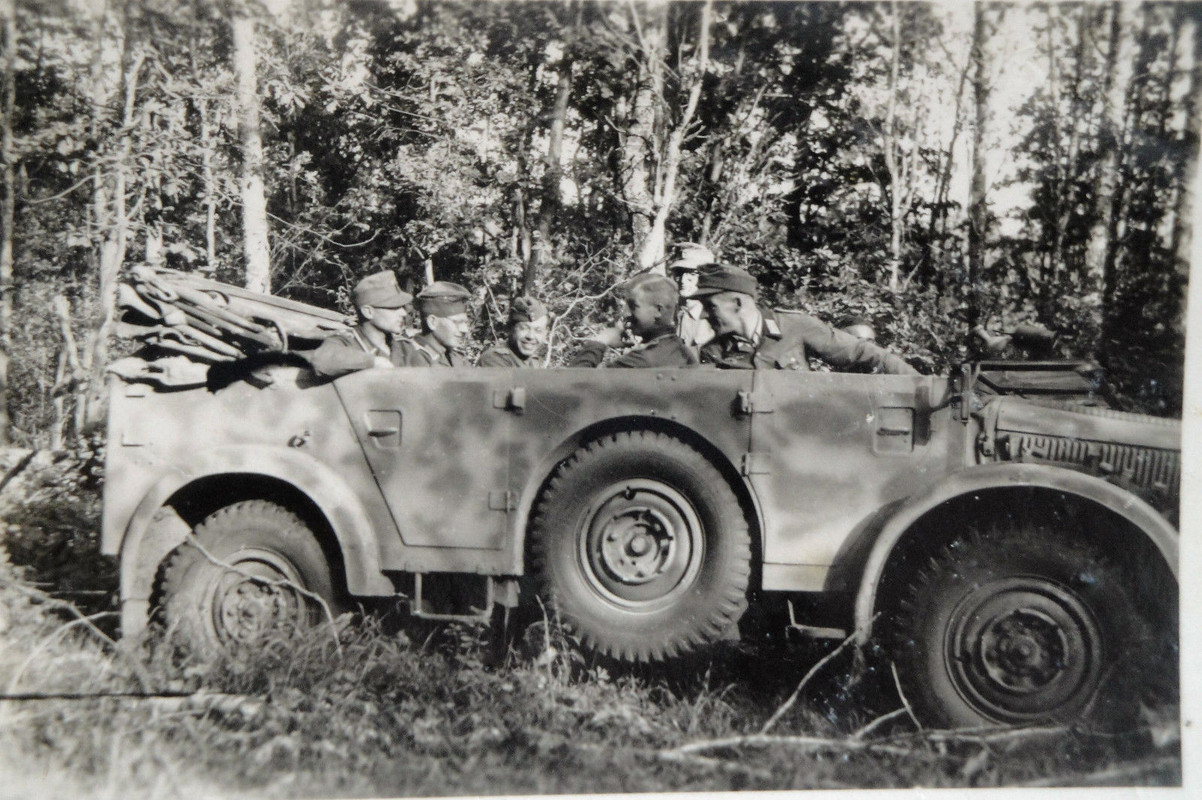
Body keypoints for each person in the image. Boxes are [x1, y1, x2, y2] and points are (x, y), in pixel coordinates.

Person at [693, 264, 918, 374]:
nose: (703, 314)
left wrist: (921, 384)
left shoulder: (795, 326)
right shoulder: (712, 353)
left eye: (711, 306)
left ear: (737, 304)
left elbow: (862, 352)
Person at [569, 272, 698, 368]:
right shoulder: (680, 350)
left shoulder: (641, 360)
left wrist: (601, 340)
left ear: (658, 310)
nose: (626, 313)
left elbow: (572, 386)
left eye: (633, 306)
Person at [309, 270, 413, 379]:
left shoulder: (404, 348)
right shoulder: (347, 342)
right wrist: (372, 362)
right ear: (368, 312)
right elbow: (322, 360)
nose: (403, 313)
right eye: (393, 307)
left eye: (402, 307)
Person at [396, 281, 473, 367]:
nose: (464, 329)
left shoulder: (457, 358)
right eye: (456, 322)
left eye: (464, 322)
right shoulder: (409, 358)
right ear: (432, 322)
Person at [668, 243, 717, 350]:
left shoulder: (714, 318)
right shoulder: (668, 314)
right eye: (680, 273)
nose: (683, 280)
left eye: (693, 274)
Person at [478, 296, 549, 367]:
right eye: (524, 328)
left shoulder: (535, 363)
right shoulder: (493, 359)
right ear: (510, 329)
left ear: (545, 334)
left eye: (538, 330)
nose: (530, 336)